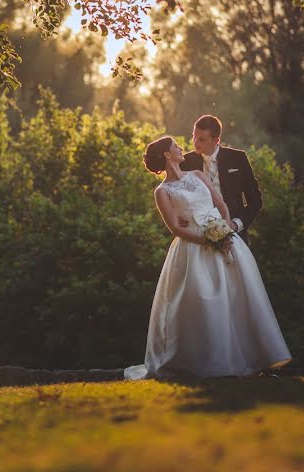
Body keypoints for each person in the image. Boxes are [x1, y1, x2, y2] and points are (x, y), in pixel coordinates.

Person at [124, 135, 291, 380]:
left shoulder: (198, 175)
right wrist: (207, 240)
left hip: (225, 240)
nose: (182, 148)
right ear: (168, 155)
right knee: (203, 301)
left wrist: (223, 232)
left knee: (238, 297)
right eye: (176, 147)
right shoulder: (162, 191)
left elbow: (221, 204)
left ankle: (252, 360)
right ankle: (206, 361)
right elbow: (176, 228)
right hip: (193, 249)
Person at [179, 115, 261, 244]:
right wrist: (179, 216)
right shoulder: (184, 162)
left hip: (235, 236)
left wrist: (235, 225)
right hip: (197, 236)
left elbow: (255, 200)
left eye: (201, 139)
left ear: (216, 140)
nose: (195, 142)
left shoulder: (238, 158)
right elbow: (176, 196)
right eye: (194, 136)